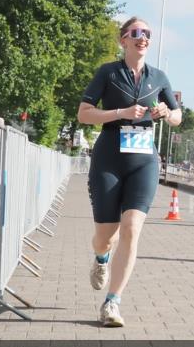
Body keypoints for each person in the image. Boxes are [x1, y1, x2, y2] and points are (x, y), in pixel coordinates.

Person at [77, 17, 182, 327]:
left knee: (133, 228)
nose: (143, 38)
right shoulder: (108, 73)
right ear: (123, 40)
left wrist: (166, 112)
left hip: (144, 160)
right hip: (109, 156)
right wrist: (120, 113)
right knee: (104, 237)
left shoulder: (159, 77)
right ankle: (100, 259)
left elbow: (177, 115)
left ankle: (112, 303)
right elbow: (83, 113)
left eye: (147, 33)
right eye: (136, 33)